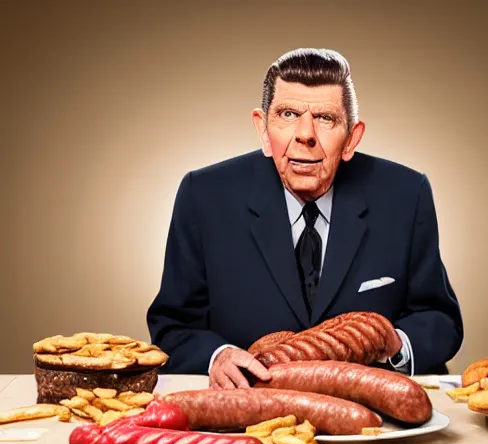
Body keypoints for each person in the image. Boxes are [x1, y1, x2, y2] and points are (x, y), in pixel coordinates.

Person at [147, 48, 463, 389]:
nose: (305, 135)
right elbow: (172, 324)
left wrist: (395, 347)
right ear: (263, 129)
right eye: (287, 114)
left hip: (370, 413)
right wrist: (218, 356)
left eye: (325, 118)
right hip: (249, 411)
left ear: (351, 138)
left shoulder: (405, 194)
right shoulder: (204, 194)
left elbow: (440, 320)